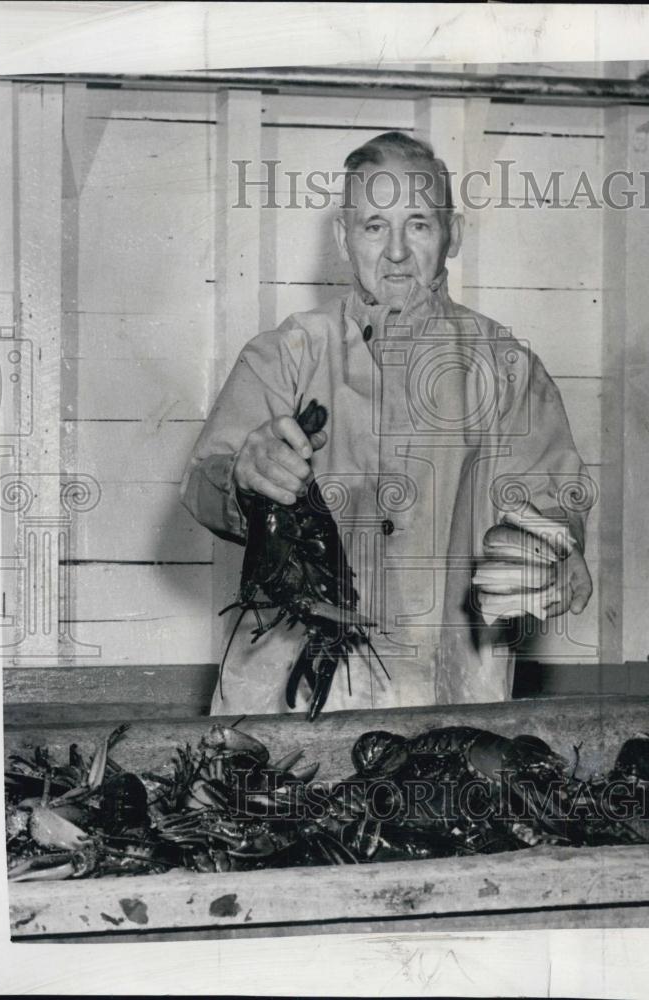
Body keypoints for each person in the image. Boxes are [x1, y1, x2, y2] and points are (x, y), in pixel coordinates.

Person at [180, 131, 593, 716]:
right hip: (289, 703)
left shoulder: (507, 367)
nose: (396, 251)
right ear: (342, 236)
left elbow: (554, 503)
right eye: (374, 225)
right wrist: (243, 476)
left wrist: (557, 547)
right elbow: (204, 484)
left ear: (453, 233)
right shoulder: (286, 354)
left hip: (448, 698)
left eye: (419, 223)